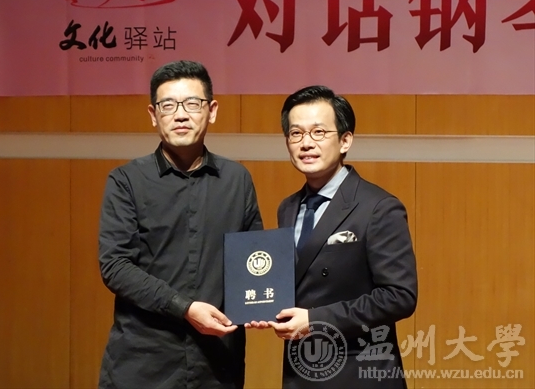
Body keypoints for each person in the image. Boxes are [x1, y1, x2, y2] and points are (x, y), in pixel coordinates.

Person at [97, 60, 263, 389]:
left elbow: (253, 259)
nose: (181, 115)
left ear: (212, 111)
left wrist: (264, 302)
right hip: (143, 363)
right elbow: (115, 266)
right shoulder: (126, 181)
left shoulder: (237, 179)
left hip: (216, 365)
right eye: (168, 105)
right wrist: (184, 308)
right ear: (153, 114)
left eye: (192, 104)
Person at [247, 85, 417, 388]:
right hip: (302, 370)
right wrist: (262, 306)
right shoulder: (288, 207)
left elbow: (399, 296)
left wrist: (315, 320)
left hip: (360, 371)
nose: (306, 143)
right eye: (296, 134)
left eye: (319, 132)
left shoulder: (378, 207)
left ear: (345, 140)